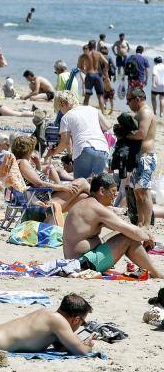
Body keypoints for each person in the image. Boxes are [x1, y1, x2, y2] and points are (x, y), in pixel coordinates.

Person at [63, 173, 161, 278]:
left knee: (125, 233)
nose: (115, 195)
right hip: (83, 264)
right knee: (128, 238)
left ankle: (153, 272)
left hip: (79, 261)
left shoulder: (87, 203)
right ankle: (156, 274)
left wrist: (141, 234)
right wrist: (148, 237)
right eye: (113, 191)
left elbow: (123, 228)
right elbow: (133, 232)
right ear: (101, 191)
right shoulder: (96, 208)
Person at [46, 90, 109, 180]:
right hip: (102, 148)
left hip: (84, 148)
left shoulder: (66, 117)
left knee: (80, 184)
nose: (61, 112)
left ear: (63, 104)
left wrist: (53, 152)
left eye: (60, 109)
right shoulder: (93, 109)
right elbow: (107, 126)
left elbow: (66, 143)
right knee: (98, 184)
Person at [126, 87, 157, 228]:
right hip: (137, 157)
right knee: (137, 192)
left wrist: (124, 135)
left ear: (137, 99)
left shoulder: (145, 112)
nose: (127, 103)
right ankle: (140, 222)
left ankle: (147, 224)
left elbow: (141, 134)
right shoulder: (139, 112)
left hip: (145, 157)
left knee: (144, 192)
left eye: (129, 100)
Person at [77, 41, 108, 112]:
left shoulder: (84, 55)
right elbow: (106, 63)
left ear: (88, 45)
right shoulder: (98, 54)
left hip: (89, 75)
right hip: (98, 75)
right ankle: (103, 112)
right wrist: (104, 72)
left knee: (87, 96)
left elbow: (79, 66)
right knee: (100, 96)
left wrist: (85, 71)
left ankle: (84, 112)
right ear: (95, 45)